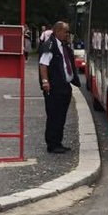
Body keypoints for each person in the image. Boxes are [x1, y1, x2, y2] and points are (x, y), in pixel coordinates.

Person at [38, 21, 80, 154]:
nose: (68, 34)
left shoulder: (64, 46)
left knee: (61, 116)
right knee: (54, 116)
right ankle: (52, 144)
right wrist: (45, 82)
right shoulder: (50, 45)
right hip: (54, 87)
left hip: (65, 86)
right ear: (58, 31)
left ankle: (58, 142)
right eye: (66, 31)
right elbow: (43, 65)